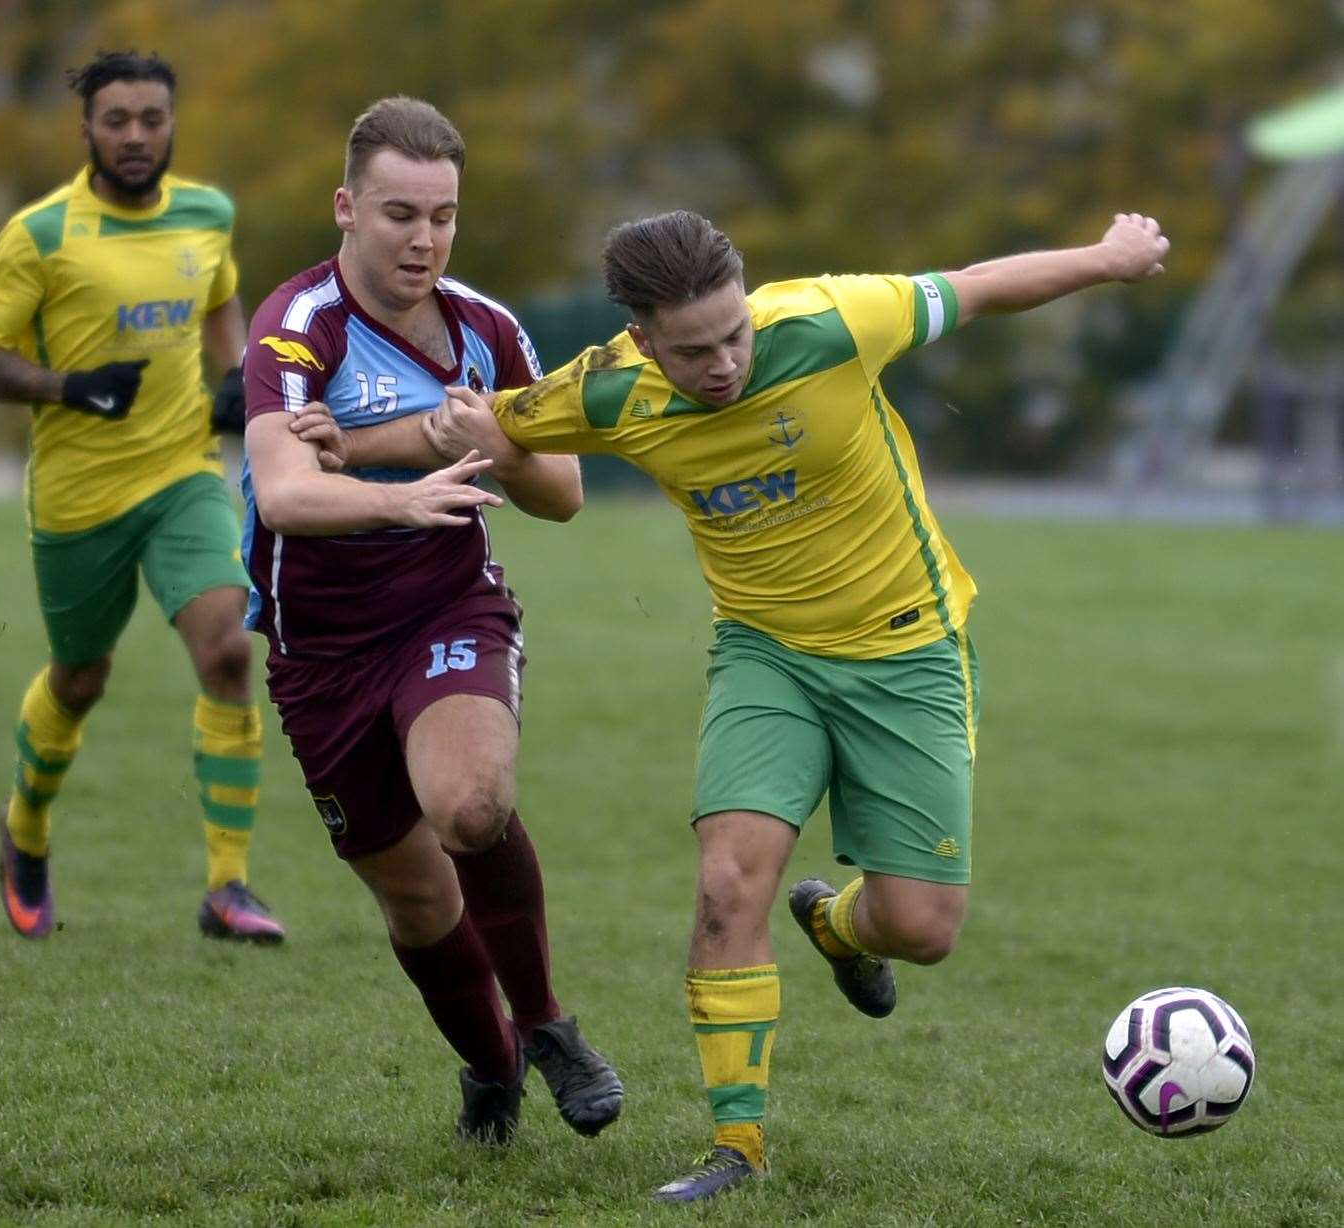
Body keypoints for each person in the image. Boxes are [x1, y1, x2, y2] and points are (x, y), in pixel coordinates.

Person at [294, 206, 1170, 1198]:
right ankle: (735, 1151)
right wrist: (353, 442)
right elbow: (490, 420)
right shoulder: (613, 390)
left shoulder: (833, 320)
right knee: (725, 883)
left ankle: (838, 926)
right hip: (766, 660)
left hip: (907, 652)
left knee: (920, 926)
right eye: (691, 351)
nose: (721, 365)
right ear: (639, 340)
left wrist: (1109, 258)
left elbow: (976, 285)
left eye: (733, 336)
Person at [241, 96, 623, 1145]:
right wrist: (396, 490)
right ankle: (492, 1067)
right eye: (399, 213)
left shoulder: (489, 329)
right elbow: (280, 493)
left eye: (442, 215)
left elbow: (563, 493)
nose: (423, 238)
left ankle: (547, 1024)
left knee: (469, 806)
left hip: (447, 606)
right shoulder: (293, 327)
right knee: (415, 901)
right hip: (317, 651)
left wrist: (491, 445)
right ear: (346, 208)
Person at [0, 50, 283, 944]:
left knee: (226, 654)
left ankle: (229, 887)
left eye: (151, 119)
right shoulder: (42, 234)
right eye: (116, 121)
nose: (136, 135)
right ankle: (24, 830)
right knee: (81, 678)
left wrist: (234, 375)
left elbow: (223, 300)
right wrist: (70, 388)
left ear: (172, 124)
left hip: (182, 476)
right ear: (87, 130)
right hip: (78, 496)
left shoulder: (207, 213)